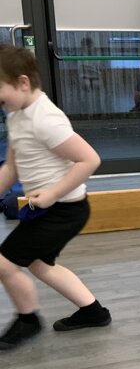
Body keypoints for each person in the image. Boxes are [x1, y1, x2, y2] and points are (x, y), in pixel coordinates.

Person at [0, 45, 111, 350]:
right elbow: (11, 167)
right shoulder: (16, 115)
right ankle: (94, 312)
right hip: (48, 209)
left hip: (64, 210)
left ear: (23, 83)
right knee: (38, 263)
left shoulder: (45, 119)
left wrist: (52, 193)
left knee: (4, 263)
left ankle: (28, 320)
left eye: (0, 95)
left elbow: (89, 159)